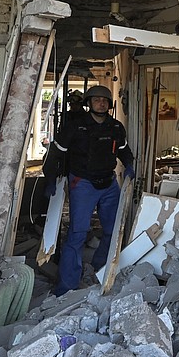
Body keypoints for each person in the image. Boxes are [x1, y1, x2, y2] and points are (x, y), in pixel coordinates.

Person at [43, 84, 135, 295]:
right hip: (82, 183)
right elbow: (55, 155)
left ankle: (100, 270)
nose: (101, 103)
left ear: (109, 104)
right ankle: (67, 286)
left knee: (113, 231)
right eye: (96, 100)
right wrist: (49, 180)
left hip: (109, 184)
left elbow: (124, 152)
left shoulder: (115, 127)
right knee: (77, 233)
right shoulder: (75, 126)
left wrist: (129, 166)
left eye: (104, 100)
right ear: (88, 103)